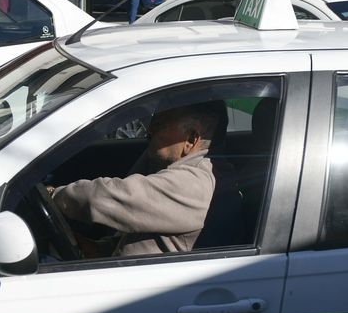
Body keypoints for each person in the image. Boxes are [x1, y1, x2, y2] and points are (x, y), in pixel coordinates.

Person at [50, 103, 232, 257]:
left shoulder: (193, 184)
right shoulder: (194, 174)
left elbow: (105, 198)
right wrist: (99, 248)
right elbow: (153, 238)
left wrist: (54, 195)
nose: (149, 129)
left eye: (160, 123)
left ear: (191, 139)